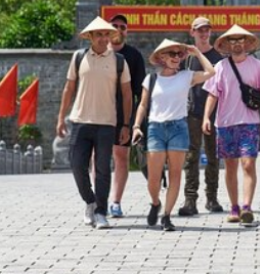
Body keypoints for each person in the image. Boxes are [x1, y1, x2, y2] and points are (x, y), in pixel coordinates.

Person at [131, 39, 216, 232]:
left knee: (175, 174)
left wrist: (197, 52)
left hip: (178, 127)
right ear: (162, 57)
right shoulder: (151, 79)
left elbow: (211, 72)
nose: (176, 57)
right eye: (172, 54)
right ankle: (155, 203)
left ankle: (167, 216)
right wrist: (136, 126)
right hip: (155, 128)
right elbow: (142, 105)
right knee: (153, 177)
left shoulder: (186, 76)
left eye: (179, 54)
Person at [56, 16, 132, 230]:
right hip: (80, 121)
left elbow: (127, 94)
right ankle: (90, 201)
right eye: (99, 34)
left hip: (107, 123)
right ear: (90, 37)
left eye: (106, 34)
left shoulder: (119, 61)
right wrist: (61, 117)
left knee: (102, 169)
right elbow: (69, 88)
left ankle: (100, 212)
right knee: (76, 164)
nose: (103, 38)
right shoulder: (79, 57)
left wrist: (126, 124)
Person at [202, 25, 260, 227]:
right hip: (225, 123)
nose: (237, 44)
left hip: (250, 123)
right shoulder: (220, 67)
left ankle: (247, 207)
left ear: (247, 43)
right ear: (227, 44)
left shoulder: (257, 65)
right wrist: (206, 117)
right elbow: (213, 94)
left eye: (241, 40)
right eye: (233, 41)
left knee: (248, 164)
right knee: (230, 167)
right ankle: (234, 207)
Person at [178, 17, 224, 217]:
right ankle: (190, 199)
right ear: (192, 32)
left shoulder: (218, 57)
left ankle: (212, 197)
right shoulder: (186, 59)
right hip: (192, 112)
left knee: (213, 156)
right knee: (191, 157)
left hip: (215, 113)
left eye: (206, 30)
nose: (204, 34)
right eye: (200, 30)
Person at [107, 14, 147, 219]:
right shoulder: (98, 53)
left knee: (121, 156)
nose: (118, 29)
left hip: (124, 113)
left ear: (127, 31)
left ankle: (116, 201)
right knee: (97, 157)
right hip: (100, 111)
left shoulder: (134, 56)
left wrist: (137, 122)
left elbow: (141, 92)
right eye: (114, 25)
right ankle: (99, 200)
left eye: (122, 26)